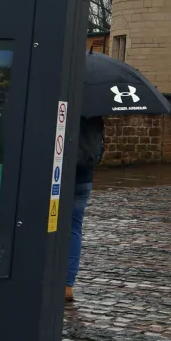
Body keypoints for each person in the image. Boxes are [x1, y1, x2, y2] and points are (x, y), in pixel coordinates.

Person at [66, 114, 104, 302]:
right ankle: (67, 285)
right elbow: (101, 149)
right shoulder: (95, 116)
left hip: (60, 177)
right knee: (74, 229)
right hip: (84, 178)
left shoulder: (62, 109)